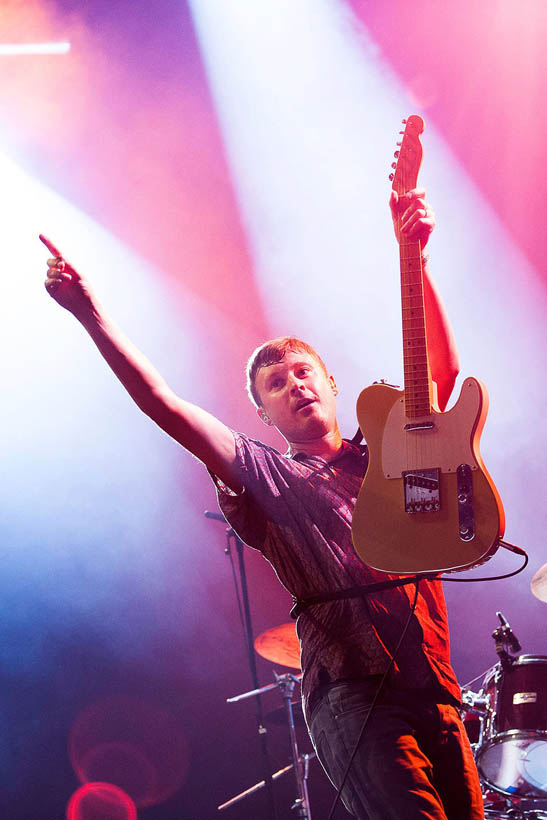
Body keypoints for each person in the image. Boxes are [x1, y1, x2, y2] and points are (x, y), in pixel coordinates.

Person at [41, 189, 484, 820]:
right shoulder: (267, 475)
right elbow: (166, 405)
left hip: (438, 686)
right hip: (353, 694)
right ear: (262, 412)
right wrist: (89, 313)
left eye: (304, 372)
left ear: (331, 384)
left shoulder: (389, 453)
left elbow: (440, 379)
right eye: (276, 384)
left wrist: (417, 257)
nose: (294, 385)